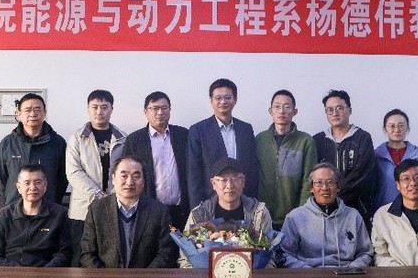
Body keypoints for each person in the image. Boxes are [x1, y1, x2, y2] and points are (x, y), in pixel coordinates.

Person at [80, 156, 177, 268]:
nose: (130, 182)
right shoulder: (97, 209)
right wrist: (105, 277)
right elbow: (87, 253)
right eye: (124, 176)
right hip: (106, 277)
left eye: (136, 176)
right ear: (113, 179)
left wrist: (145, 276)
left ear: (144, 181)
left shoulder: (159, 211)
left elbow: (167, 252)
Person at [179, 157, 273, 268]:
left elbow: (270, 258)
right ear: (213, 184)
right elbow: (186, 259)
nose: (229, 185)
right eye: (223, 180)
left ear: (243, 181)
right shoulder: (199, 214)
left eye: (235, 178)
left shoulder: (259, 213)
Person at [67, 89, 126, 266]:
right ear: (88, 109)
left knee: (109, 257)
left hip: (114, 207)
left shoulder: (122, 138)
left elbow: (125, 172)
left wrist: (111, 197)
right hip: (83, 209)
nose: (99, 112)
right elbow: (73, 172)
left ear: (112, 109)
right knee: (81, 257)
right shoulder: (77, 137)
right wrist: (99, 197)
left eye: (104, 107)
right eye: (94, 107)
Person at [280, 163, 373, 268]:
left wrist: (352, 269)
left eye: (330, 182)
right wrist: (304, 270)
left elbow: (365, 253)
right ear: (311, 188)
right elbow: (284, 253)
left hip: (346, 273)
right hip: (308, 274)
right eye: (319, 183)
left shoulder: (353, 216)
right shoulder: (295, 217)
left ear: (338, 187)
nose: (325, 188)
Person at [122, 91, 190, 230]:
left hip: (181, 210)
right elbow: (127, 174)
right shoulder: (134, 140)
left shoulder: (184, 135)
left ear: (170, 110)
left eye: (164, 108)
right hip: (149, 210)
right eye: (155, 108)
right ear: (146, 112)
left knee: (182, 243)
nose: (160, 112)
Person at [187, 78, 259, 208]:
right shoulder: (198, 130)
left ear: (235, 99)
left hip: (243, 201)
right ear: (211, 100)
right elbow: (194, 173)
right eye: (218, 98)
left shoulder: (246, 129)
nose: (223, 102)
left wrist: (252, 201)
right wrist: (197, 208)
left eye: (227, 98)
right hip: (211, 202)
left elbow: (252, 168)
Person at [0, 164, 72, 267]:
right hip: (10, 272)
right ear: (18, 187)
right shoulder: (4, 216)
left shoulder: (59, 214)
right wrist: (16, 270)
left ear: (45, 185)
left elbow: (64, 253)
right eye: (27, 183)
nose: (32, 188)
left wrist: (46, 271)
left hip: (46, 272)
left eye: (37, 182)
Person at [312, 89, 375, 230]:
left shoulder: (363, 138)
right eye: (330, 110)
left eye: (339, 108)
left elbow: (362, 175)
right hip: (324, 212)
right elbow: (312, 176)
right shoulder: (317, 140)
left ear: (349, 110)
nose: (335, 113)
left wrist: (334, 197)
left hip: (357, 210)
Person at [255, 89, 317, 230]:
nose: (281, 111)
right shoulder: (260, 139)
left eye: (287, 107)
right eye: (277, 106)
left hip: (293, 217)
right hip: (262, 215)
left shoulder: (305, 141)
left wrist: (302, 213)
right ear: (270, 111)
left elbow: (309, 180)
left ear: (295, 112)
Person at [0, 93, 67, 207]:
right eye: (27, 110)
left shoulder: (58, 142)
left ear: (45, 112)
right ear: (19, 113)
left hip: (48, 209)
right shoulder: (7, 143)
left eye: (37, 109)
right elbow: (1, 180)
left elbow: (62, 179)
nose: (33, 114)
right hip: (14, 209)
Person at [373, 109, 418, 210]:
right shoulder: (376, 156)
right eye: (392, 126)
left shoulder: (417, 154)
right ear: (385, 129)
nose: (397, 130)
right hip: (384, 210)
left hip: (414, 209)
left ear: (407, 128)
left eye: (401, 125)